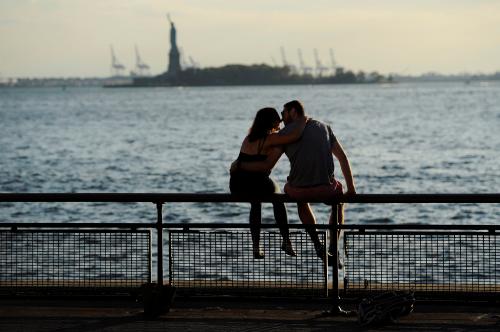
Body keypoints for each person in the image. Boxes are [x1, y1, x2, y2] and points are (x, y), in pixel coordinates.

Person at [232, 100, 356, 261]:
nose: (282, 119)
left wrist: (240, 165)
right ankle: (330, 247)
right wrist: (351, 188)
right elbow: (342, 157)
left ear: (293, 112)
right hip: (324, 188)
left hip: (289, 189)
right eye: (280, 116)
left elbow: (268, 163)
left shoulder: (272, 136)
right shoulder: (323, 128)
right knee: (337, 202)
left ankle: (316, 243)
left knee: (292, 199)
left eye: (283, 113)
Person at [229, 107, 308, 259]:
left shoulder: (248, 138)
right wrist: (303, 120)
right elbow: (295, 135)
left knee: (256, 203)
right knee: (278, 199)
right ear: (270, 122)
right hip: (255, 181)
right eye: (277, 119)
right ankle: (286, 240)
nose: (279, 122)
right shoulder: (270, 139)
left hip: (237, 183)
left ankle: (256, 247)